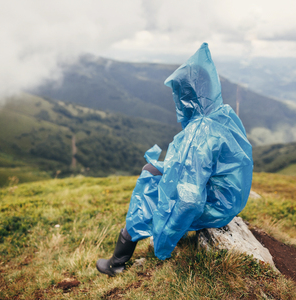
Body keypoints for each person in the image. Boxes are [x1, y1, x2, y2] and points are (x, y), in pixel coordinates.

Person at [96, 43, 253, 276]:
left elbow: (189, 200)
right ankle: (121, 253)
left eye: (180, 93)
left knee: (148, 186)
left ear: (188, 95)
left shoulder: (201, 132)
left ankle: (117, 262)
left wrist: (163, 243)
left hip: (215, 205)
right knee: (153, 168)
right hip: (228, 199)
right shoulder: (221, 113)